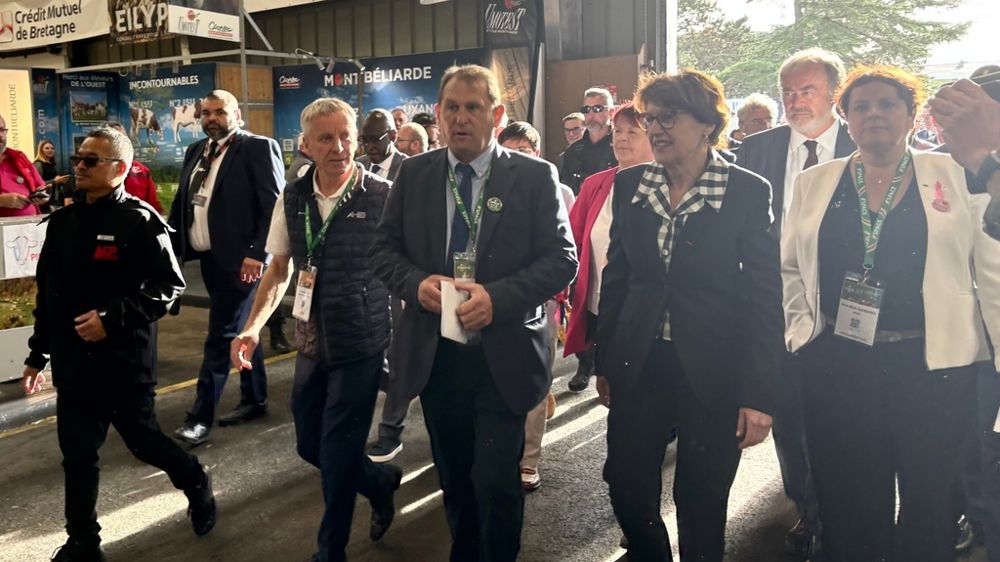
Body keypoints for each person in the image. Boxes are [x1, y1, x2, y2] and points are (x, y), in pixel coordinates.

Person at [782, 65, 1000, 562]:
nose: (874, 114)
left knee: (932, 503)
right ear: (845, 117)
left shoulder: (956, 174)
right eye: (861, 106)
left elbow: (991, 269)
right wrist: (802, 333)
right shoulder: (815, 182)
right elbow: (790, 266)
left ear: (910, 115)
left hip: (933, 367)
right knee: (849, 499)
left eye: (887, 104)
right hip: (840, 363)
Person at [370, 64, 577, 561]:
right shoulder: (415, 174)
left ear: (497, 114)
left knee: (496, 481)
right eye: (452, 108)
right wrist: (416, 283)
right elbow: (383, 253)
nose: (461, 119)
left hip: (503, 355)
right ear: (438, 114)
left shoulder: (534, 176)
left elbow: (562, 260)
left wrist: (499, 298)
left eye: (473, 108)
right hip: (438, 357)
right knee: (457, 478)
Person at [596, 69, 782, 562]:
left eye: (668, 117)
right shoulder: (632, 183)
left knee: (701, 499)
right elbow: (618, 278)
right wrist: (607, 361)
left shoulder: (746, 189)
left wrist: (759, 392)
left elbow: (766, 295)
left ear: (706, 123)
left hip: (714, 369)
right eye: (649, 118)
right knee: (626, 483)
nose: (655, 129)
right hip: (642, 361)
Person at [22, 127, 216, 562]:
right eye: (79, 159)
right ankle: (83, 542)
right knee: (77, 454)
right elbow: (48, 295)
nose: (80, 167)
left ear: (120, 169)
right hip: (75, 365)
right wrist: (39, 352)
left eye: (91, 161)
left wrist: (111, 318)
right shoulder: (64, 222)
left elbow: (169, 286)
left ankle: (196, 482)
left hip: (124, 363)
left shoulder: (140, 222)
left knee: (144, 443)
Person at [228, 97, 401, 562]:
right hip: (310, 342)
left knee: (339, 453)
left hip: (362, 342)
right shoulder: (294, 196)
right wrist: (251, 329)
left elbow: (401, 273)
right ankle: (380, 481)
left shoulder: (383, 196)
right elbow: (280, 268)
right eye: (326, 137)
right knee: (310, 445)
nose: (340, 146)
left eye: (346, 135)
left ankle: (330, 552)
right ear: (305, 145)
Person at [735, 48, 856, 558]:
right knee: (788, 411)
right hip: (777, 302)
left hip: (850, 302)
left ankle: (846, 509)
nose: (795, 101)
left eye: (807, 90)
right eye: (788, 91)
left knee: (848, 413)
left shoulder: (863, 141)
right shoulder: (758, 149)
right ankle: (807, 505)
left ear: (834, 93)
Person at [169, 90, 284, 445]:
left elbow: (273, 206)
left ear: (237, 112)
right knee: (242, 326)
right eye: (205, 113)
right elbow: (183, 204)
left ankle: (200, 418)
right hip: (208, 259)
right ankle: (255, 398)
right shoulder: (197, 150)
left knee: (220, 336)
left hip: (243, 263)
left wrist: (257, 254)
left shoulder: (256, 147)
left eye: (219, 112)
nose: (211, 118)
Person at [497, 120, 576, 491]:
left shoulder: (559, 191)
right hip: (495, 303)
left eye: (523, 152)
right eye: (509, 151)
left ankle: (529, 459)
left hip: (542, 303)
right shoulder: (485, 192)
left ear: (537, 153)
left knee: (534, 383)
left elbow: (565, 256)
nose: (515, 159)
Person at [563, 103, 653, 395]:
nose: (622, 138)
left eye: (633, 132)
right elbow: (572, 240)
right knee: (613, 387)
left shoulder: (669, 183)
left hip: (651, 310)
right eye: (618, 131)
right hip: (601, 303)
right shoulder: (595, 185)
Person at [560, 87, 619, 194]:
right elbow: (566, 191)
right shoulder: (573, 151)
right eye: (586, 109)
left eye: (597, 109)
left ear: (611, 112)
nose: (591, 115)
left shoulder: (620, 147)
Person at [106, 122, 164, 214]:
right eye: (111, 140)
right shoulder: (92, 169)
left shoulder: (142, 171)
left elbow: (153, 206)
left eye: (121, 139)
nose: (117, 144)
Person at [0, 114, 48, 217]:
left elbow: (40, 186)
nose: (0, 135)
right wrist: (1, 201)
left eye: (2, 130)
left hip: (28, 226)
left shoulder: (19, 157)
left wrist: (42, 195)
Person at [357, 109, 407, 181]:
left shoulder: (408, 168)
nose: (369, 147)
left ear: (393, 136)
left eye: (375, 139)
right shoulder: (358, 166)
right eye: (364, 139)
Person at [32, 139, 71, 210]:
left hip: (53, 200)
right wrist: (55, 181)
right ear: (41, 150)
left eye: (52, 148)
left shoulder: (51, 164)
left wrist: (61, 180)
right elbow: (35, 185)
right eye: (47, 148)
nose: (50, 150)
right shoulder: (38, 164)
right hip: (43, 202)